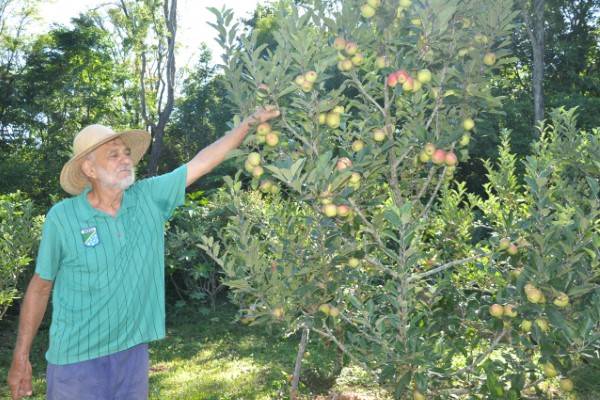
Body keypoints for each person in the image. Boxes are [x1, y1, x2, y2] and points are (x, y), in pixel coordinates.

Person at [6, 106, 280, 400]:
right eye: (113, 155)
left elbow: (203, 161)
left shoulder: (148, 198)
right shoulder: (63, 218)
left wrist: (249, 123)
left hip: (132, 355)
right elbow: (40, 287)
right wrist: (21, 357)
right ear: (89, 169)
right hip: (76, 362)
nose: (125, 159)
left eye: (126, 152)